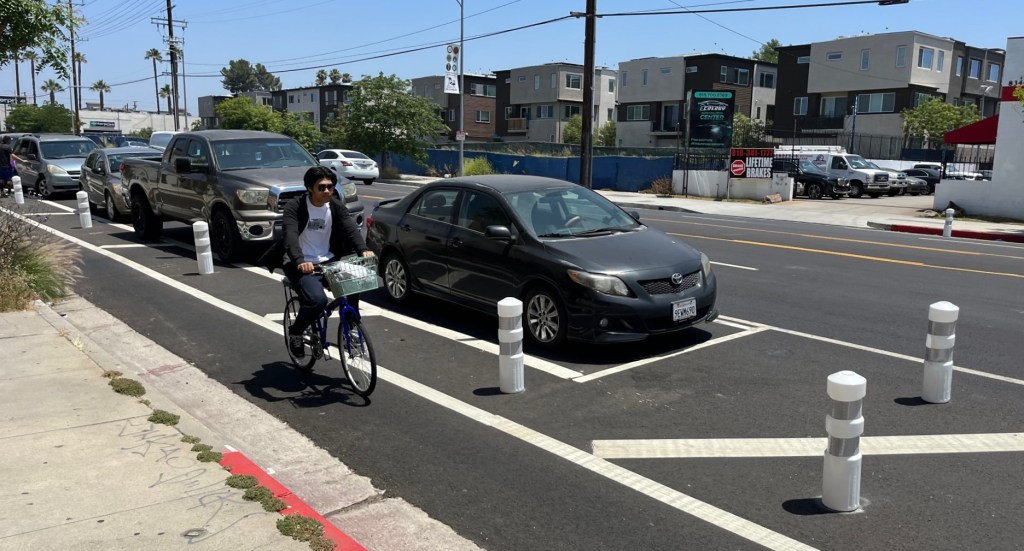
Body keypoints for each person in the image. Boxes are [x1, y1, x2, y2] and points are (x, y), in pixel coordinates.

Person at [261, 165, 374, 358]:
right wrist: (299, 260)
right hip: (300, 263)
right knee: (318, 301)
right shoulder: (295, 207)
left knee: (354, 284)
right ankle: (296, 332)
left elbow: (350, 228)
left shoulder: (335, 205)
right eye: (321, 187)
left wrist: (363, 249)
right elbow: (290, 236)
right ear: (310, 188)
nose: (327, 191)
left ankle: (351, 326)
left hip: (328, 260)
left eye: (330, 187)